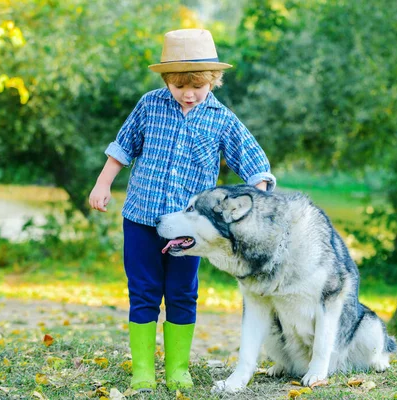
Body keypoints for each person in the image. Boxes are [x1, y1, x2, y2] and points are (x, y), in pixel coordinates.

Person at [88, 28, 276, 392]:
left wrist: (260, 194)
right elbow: (122, 147)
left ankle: (177, 369)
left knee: (181, 293)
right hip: (142, 218)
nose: (188, 94)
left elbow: (254, 162)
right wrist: (102, 183)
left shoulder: (222, 119)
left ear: (213, 81)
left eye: (197, 86)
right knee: (143, 291)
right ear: (166, 80)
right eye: (178, 86)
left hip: (189, 231)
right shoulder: (149, 105)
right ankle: (143, 370)